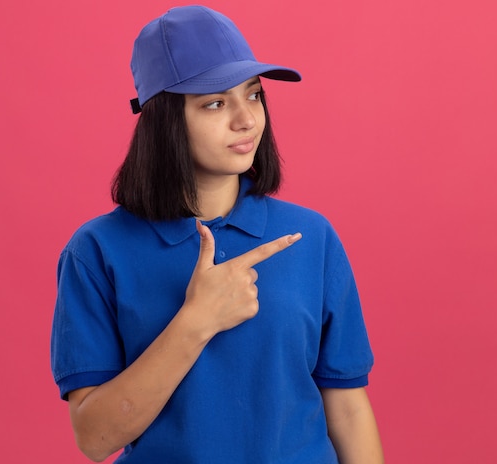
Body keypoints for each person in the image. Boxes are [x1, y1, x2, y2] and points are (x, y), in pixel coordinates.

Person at [51, 5, 383, 463]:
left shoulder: (311, 236)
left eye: (254, 95)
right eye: (215, 102)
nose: (246, 120)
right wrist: (197, 319)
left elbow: (346, 407)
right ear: (164, 121)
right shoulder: (97, 252)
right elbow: (94, 438)